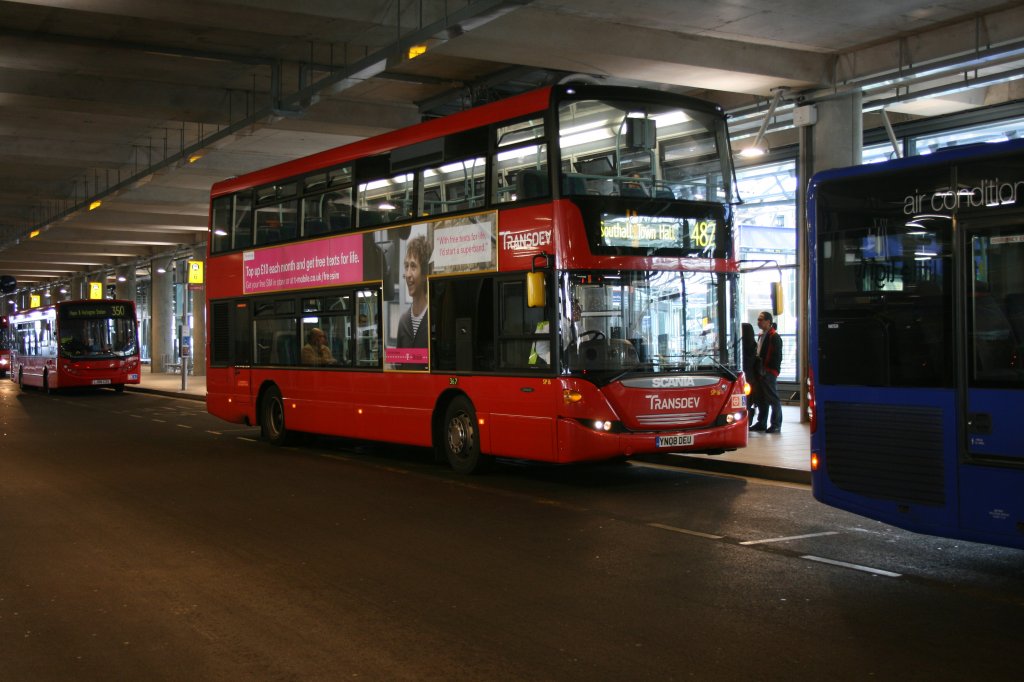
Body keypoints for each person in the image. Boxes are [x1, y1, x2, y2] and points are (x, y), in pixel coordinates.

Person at [396, 234, 432, 368]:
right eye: (406, 266)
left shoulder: (433, 318)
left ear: (424, 274)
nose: (408, 274)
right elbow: (399, 366)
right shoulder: (403, 321)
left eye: (413, 266)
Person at [750, 311, 783, 433]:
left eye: (761, 319)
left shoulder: (774, 337)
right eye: (758, 320)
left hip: (768, 372)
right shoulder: (761, 335)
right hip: (760, 371)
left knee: (773, 398)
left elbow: (777, 356)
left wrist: (771, 370)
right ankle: (762, 423)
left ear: (768, 322)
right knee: (761, 399)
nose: (758, 322)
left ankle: (776, 424)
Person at [741, 322, 759, 425]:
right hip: (751, 376)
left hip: (744, 376)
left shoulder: (741, 346)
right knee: (748, 400)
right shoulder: (753, 345)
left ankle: (744, 421)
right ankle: (748, 421)